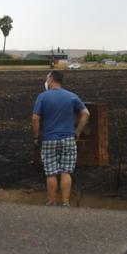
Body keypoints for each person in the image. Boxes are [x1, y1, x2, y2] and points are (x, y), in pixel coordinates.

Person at [33, 70, 91, 207]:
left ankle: (52, 201)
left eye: (47, 79)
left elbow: (35, 118)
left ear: (51, 79)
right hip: (68, 139)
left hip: (48, 139)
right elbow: (86, 113)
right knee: (66, 171)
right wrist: (77, 131)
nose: (46, 81)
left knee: (51, 172)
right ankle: (65, 202)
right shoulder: (71, 96)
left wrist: (36, 137)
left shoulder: (42, 97)